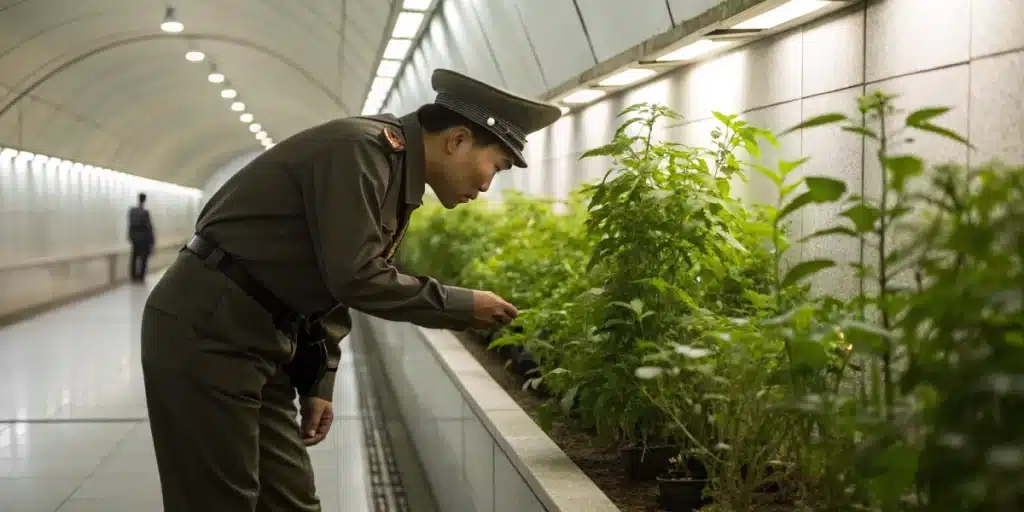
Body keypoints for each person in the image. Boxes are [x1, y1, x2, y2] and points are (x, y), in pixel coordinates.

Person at [140, 68, 563, 511]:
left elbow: (333, 282)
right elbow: (355, 276)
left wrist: (320, 378)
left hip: (263, 340)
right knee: (219, 502)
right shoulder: (362, 153)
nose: (486, 184)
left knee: (290, 500)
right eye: (494, 166)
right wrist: (461, 305)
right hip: (208, 330)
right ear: (457, 140)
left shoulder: (395, 171)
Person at [127, 192, 155, 282]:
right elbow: (149, 227)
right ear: (144, 200)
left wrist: (130, 236)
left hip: (134, 239)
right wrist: (152, 240)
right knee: (143, 258)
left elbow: (130, 225)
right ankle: (141, 277)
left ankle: (133, 276)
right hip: (144, 239)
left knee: (134, 257)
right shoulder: (145, 212)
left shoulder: (132, 211)